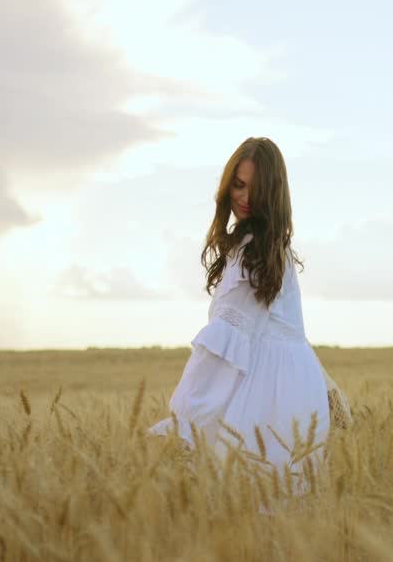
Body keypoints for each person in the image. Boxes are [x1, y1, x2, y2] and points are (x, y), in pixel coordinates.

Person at [147, 137, 346, 494]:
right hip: (299, 393)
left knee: (241, 504)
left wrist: (185, 415)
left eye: (256, 189)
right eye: (238, 185)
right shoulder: (275, 250)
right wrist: (326, 386)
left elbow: (221, 344)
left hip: (267, 394)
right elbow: (288, 330)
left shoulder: (254, 253)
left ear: (273, 194)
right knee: (281, 513)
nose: (243, 197)